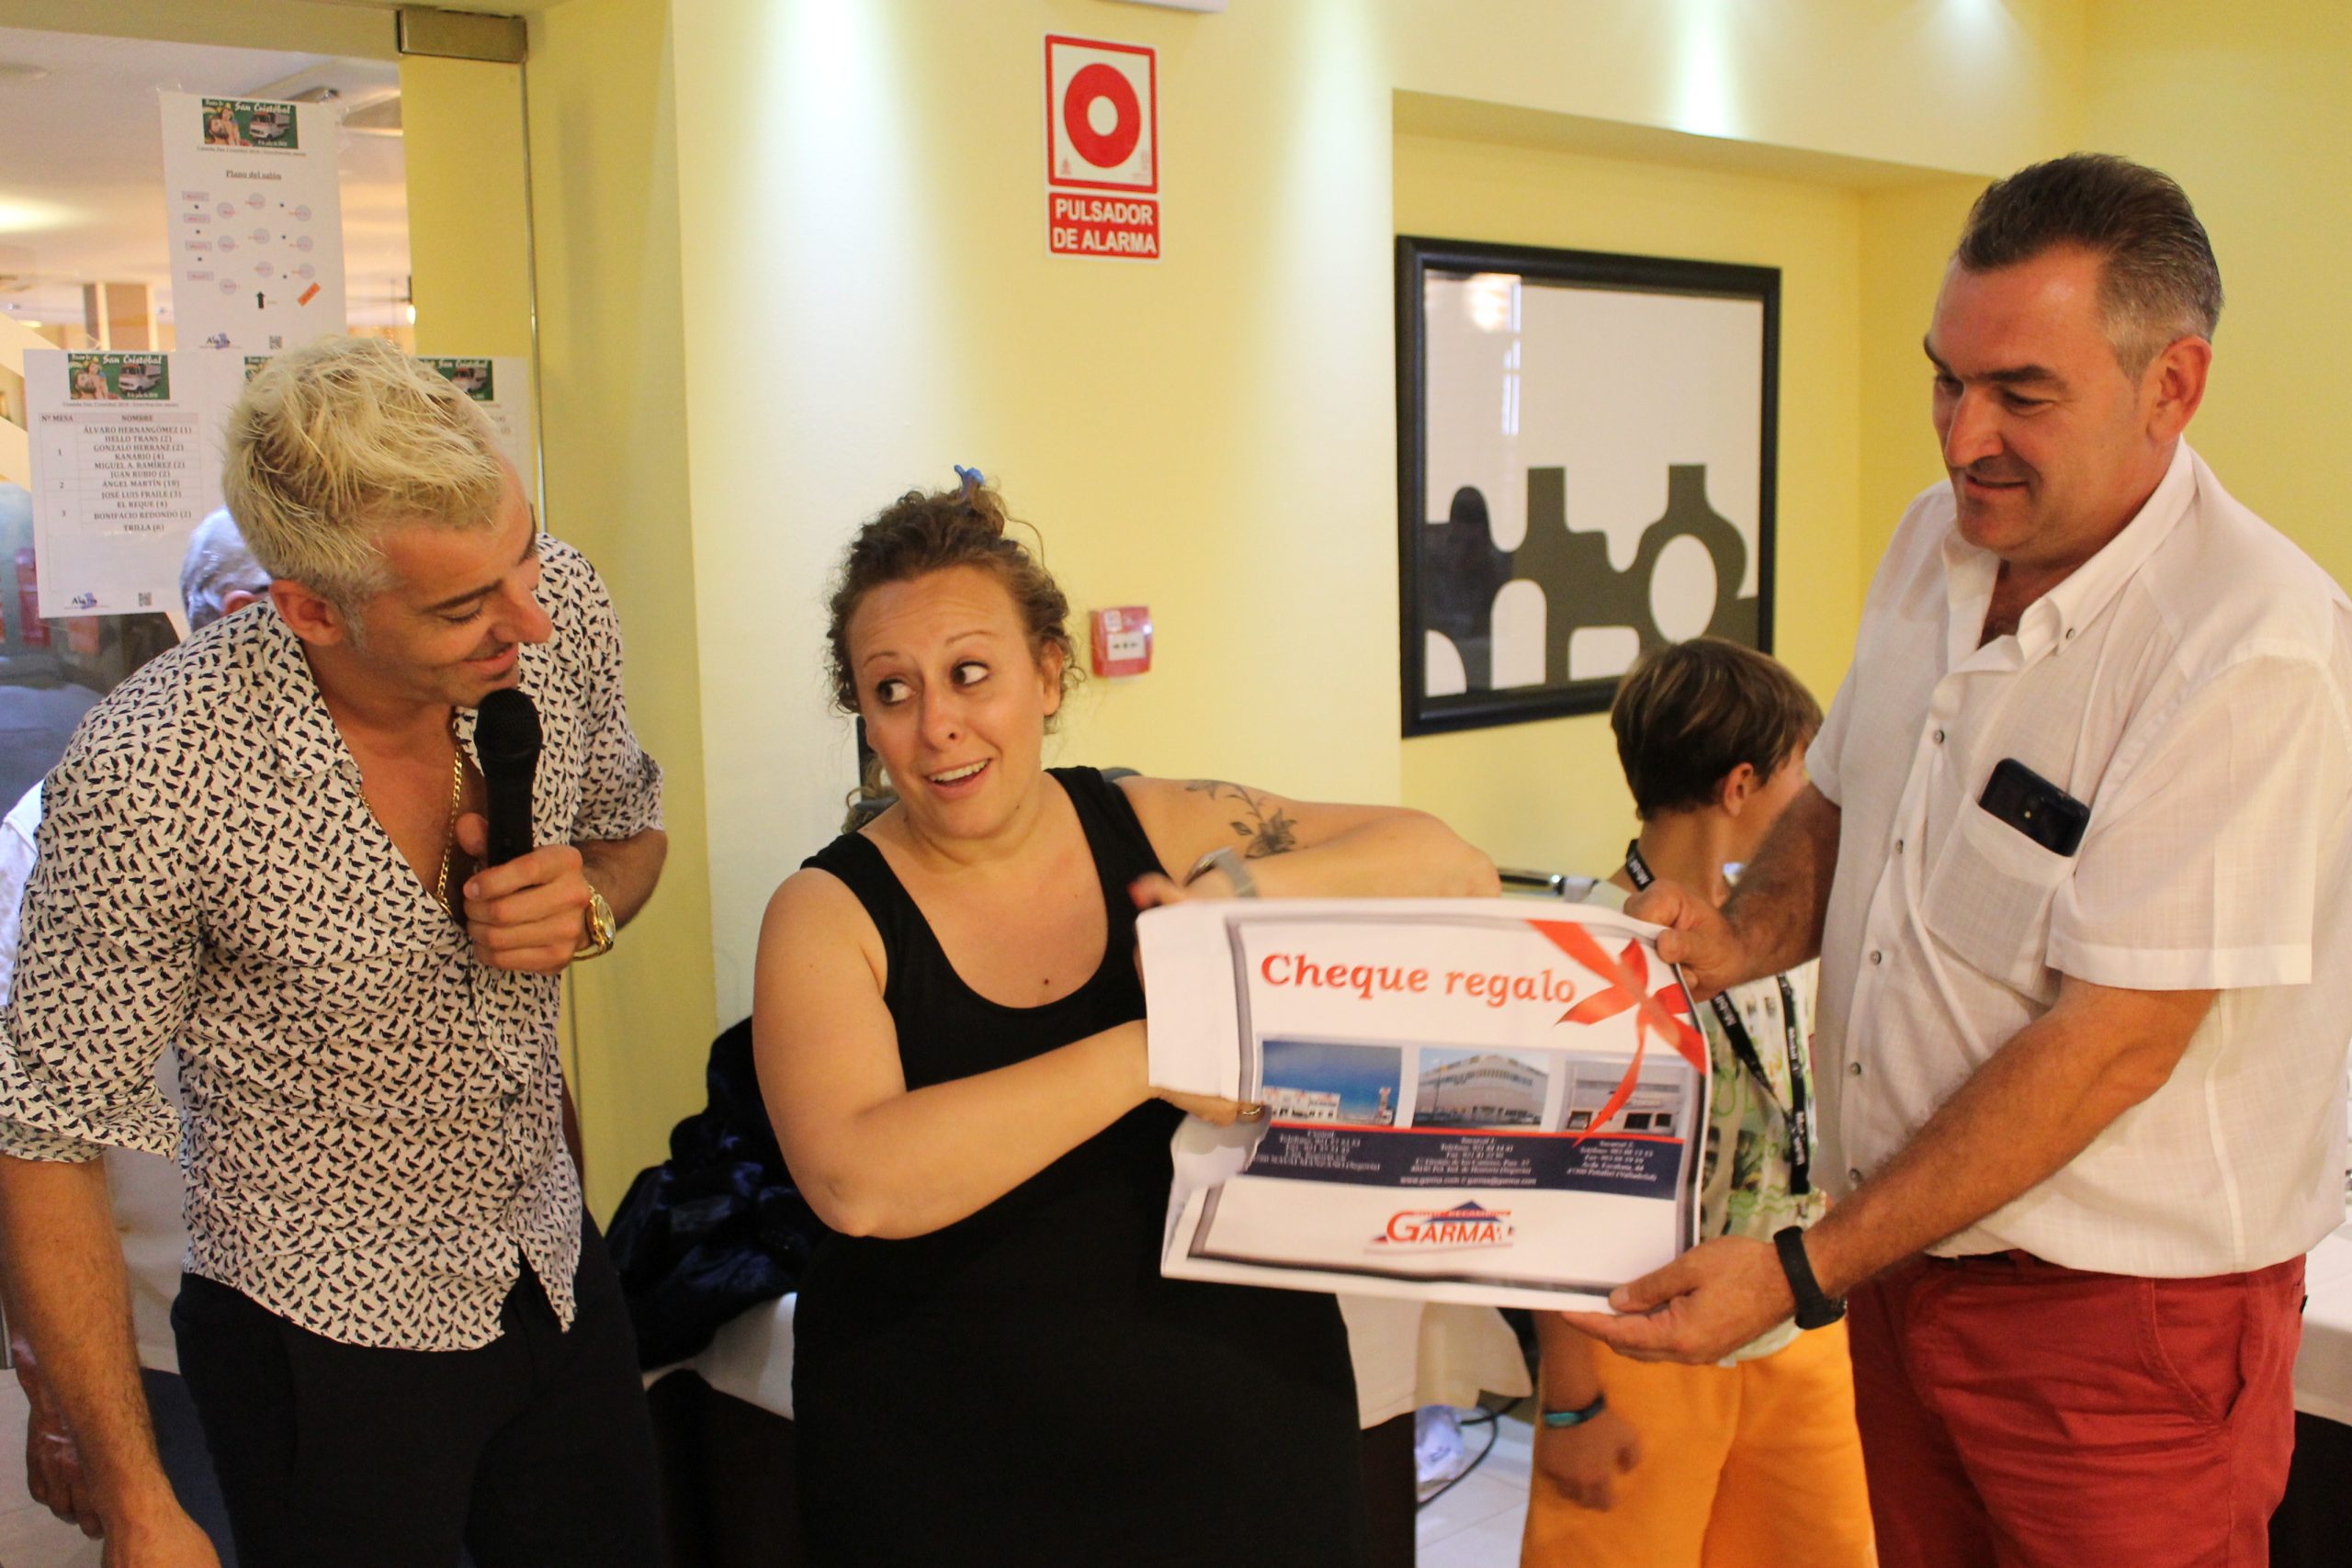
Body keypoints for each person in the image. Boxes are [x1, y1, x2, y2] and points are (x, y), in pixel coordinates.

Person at [1567, 153, 2352, 1568]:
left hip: (2119, 1327)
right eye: (1946, 379)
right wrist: (1738, 934)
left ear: (2172, 385)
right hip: (1906, 1261)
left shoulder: (2252, 650)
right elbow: (1847, 798)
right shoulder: (1934, 539)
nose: (1963, 434)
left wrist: (1802, 1266)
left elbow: (2113, 1043)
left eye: (2022, 394)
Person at [0, 335, 669, 1568]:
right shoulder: (154, 770)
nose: (530, 618)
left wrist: (593, 901)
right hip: (319, 1327)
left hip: (549, 1266)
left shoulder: (557, 607)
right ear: (310, 608)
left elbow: (632, 831)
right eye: (464, 607)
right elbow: (45, 1135)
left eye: (524, 555)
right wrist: (139, 1500)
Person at [753, 473, 1499, 1567]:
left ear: (1049, 673)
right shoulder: (825, 913)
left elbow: (1451, 866)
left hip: (1249, 1452)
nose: (937, 724)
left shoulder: (1156, 822)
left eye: (970, 673)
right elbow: (858, 1181)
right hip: (950, 1478)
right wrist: (1155, 1052)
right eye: (892, 690)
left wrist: (1235, 894)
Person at [1523, 637, 1871, 1568]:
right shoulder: (1592, 948)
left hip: (1794, 1327)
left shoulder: (1782, 930)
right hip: (1639, 1346)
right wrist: (1571, 1403)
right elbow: (1548, 1191)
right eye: (1805, 772)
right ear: (1741, 784)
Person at [0, 508, 268, 1561]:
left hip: (418, 1326)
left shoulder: (423, 794)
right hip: (173, 1336)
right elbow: (26, 1133)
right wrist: (54, 1392)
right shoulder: (65, 827)